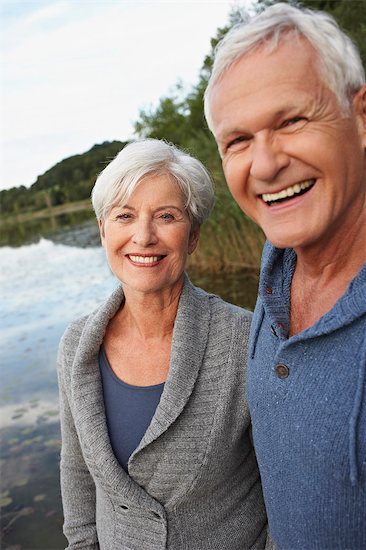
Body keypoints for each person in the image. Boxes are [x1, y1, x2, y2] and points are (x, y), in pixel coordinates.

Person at [204, 3, 366, 549]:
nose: (266, 165)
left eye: (291, 120)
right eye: (238, 142)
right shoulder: (277, 268)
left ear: (361, 117)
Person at [57, 138, 269, 549]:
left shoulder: (246, 340)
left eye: (166, 216)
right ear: (104, 231)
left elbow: (286, 490)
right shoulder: (76, 345)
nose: (144, 236)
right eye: (125, 216)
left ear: (192, 236)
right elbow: (77, 471)